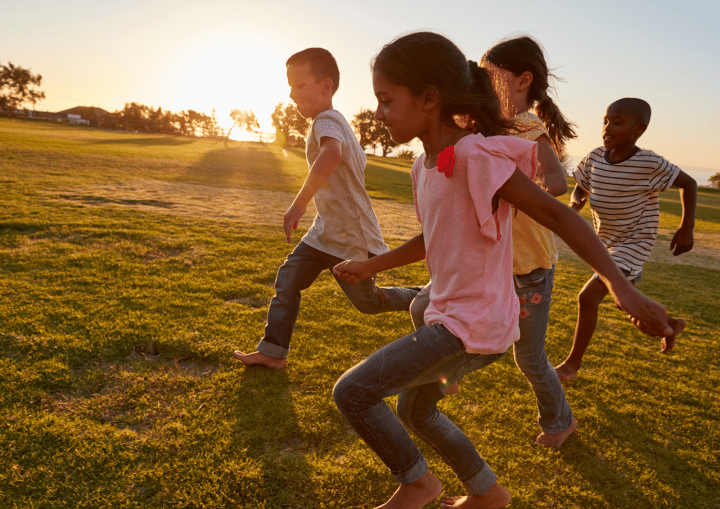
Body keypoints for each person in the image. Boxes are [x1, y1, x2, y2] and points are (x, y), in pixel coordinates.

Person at [331, 32, 677, 509]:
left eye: (387, 100)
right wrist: (373, 264)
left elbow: (558, 214)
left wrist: (620, 287)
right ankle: (488, 493)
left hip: (473, 323)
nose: (378, 113)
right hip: (450, 315)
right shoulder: (423, 167)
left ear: (429, 97)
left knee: (353, 391)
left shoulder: (476, 156)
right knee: (417, 411)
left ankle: (418, 484)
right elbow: (434, 238)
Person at [409, 35, 578, 448]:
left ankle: (560, 422)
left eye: (491, 75)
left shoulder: (527, 127)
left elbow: (557, 182)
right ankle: (446, 374)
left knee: (529, 358)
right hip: (485, 263)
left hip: (526, 267)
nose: (481, 82)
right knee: (422, 306)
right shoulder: (478, 127)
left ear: (523, 80)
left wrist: (509, 190)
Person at [233, 48, 419, 369]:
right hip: (324, 232)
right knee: (288, 278)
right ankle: (273, 352)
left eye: (299, 86)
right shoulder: (338, 123)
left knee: (369, 303)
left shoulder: (326, 121)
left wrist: (299, 202)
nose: (292, 94)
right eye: (289, 87)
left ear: (325, 86)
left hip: (351, 238)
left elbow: (331, 154)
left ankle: (424, 297)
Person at [554, 98, 695, 381]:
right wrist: (576, 200)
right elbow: (581, 186)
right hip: (605, 243)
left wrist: (686, 228)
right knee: (624, 301)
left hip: (633, 243)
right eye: (605, 121)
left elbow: (689, 183)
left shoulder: (648, 163)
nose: (607, 128)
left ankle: (571, 365)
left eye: (617, 123)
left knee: (587, 297)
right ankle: (669, 324)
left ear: (638, 130)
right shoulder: (595, 157)